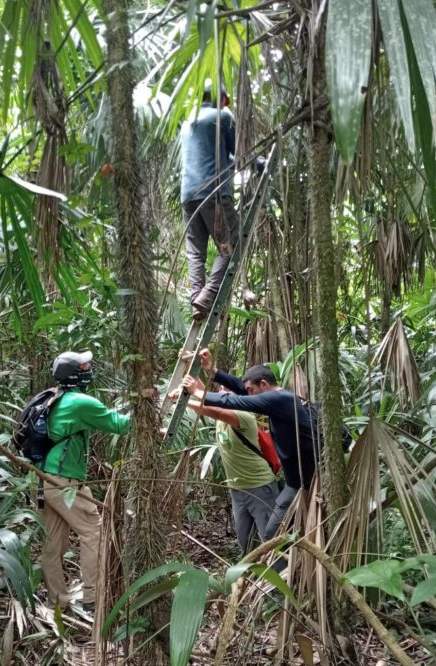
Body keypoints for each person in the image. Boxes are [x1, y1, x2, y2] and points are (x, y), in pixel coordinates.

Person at [182, 350, 317, 543]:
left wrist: (196, 392)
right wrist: (211, 369)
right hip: (294, 481)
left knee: (272, 534)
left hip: (307, 480)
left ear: (263, 384)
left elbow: (232, 401)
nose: (247, 393)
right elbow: (239, 388)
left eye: (250, 390)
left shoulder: (281, 399)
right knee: (272, 533)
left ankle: (291, 558)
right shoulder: (275, 397)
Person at [41, 350, 129, 613]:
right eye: (83, 366)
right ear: (76, 374)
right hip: (64, 481)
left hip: (42, 480)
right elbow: (120, 424)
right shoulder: (80, 402)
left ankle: (57, 602)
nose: (88, 368)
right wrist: (151, 411)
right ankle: (93, 597)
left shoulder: (53, 397)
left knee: (52, 544)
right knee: (94, 532)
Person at [182, 377, 279, 555]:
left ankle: (279, 572)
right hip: (237, 490)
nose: (221, 392)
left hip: (259, 487)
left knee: (271, 541)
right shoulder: (220, 413)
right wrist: (191, 368)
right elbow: (208, 399)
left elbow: (216, 411)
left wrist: (183, 401)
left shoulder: (243, 416)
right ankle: (251, 572)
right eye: (220, 389)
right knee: (245, 542)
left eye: (227, 390)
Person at [180, 80, 239, 320]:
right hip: (212, 193)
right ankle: (209, 294)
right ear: (220, 98)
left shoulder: (188, 122)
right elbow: (238, 152)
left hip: (188, 195)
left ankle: (196, 297)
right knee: (232, 243)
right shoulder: (223, 116)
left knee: (196, 252)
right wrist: (260, 166)